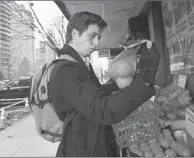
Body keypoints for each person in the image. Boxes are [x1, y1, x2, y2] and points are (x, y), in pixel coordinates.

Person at [50, 11, 160, 157]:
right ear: (75, 34)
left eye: (99, 37)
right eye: (92, 36)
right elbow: (102, 110)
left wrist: (124, 83)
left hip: (88, 144)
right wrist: (144, 80)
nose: (96, 43)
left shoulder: (78, 64)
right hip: (83, 150)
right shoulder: (66, 69)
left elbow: (95, 94)